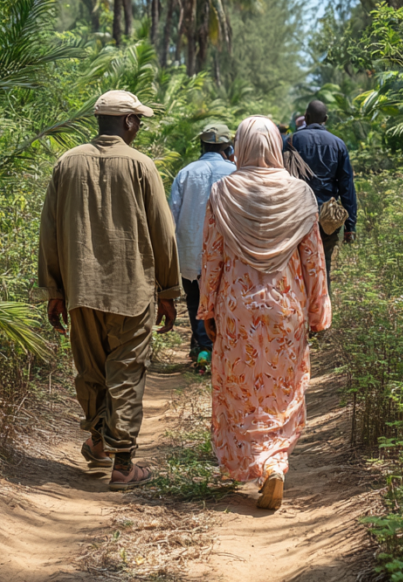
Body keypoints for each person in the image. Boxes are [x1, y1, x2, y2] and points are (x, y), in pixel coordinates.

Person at [38, 90, 181, 491]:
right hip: (131, 291)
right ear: (129, 123)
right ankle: (122, 464)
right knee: (127, 372)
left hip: (81, 290)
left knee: (91, 371)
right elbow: (163, 232)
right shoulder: (141, 165)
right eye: (139, 121)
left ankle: (98, 442)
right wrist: (168, 291)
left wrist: (54, 290)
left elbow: (48, 231)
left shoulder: (67, 163)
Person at [197, 116, 331, 510]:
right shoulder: (301, 194)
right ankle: (275, 463)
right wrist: (319, 310)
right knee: (281, 389)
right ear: (275, 146)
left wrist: (207, 308)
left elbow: (212, 257)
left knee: (242, 390)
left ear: (239, 146)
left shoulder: (223, 192)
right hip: (286, 309)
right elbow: (314, 261)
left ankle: (257, 462)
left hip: (237, 309)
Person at [169, 123, 236, 361]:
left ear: (202, 145)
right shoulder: (236, 172)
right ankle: (222, 351)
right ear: (228, 147)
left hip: (191, 254)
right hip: (227, 254)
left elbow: (172, 217)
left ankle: (202, 348)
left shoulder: (185, 173)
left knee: (196, 300)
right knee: (223, 302)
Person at [284, 100, 357, 289]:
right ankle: (324, 316)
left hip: (296, 216)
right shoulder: (338, 144)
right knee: (323, 270)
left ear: (306, 118)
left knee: (296, 272)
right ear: (325, 119)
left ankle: (300, 315)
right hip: (327, 219)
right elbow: (346, 187)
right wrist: (350, 226)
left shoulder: (291, 141)